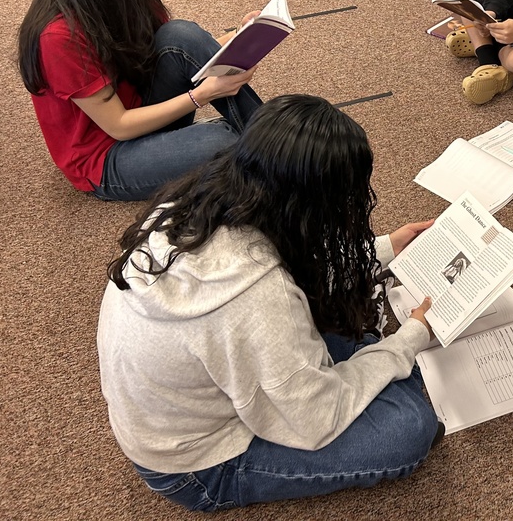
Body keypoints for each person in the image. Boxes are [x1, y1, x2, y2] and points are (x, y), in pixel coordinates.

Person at [97, 94, 442, 511]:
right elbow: (315, 418)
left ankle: (368, 362)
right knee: (409, 427)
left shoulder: (196, 205)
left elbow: (300, 267)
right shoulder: (259, 295)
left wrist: (387, 247)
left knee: (347, 327)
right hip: (198, 466)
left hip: (171, 416)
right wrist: (410, 340)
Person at [17, 0, 262, 202]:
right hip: (105, 157)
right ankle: (272, 148)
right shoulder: (59, 37)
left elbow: (179, 53)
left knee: (180, 34)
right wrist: (201, 96)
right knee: (222, 142)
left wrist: (240, 35)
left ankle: (274, 143)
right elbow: (118, 126)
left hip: (140, 108)